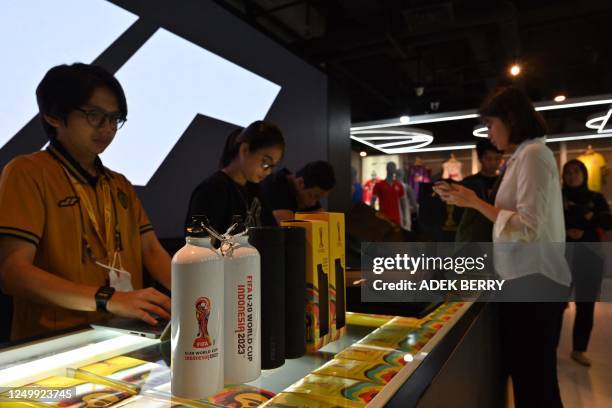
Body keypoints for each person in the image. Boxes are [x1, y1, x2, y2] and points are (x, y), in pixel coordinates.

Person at [0, 63, 172, 341]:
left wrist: (196, 294)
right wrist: (107, 298)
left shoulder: (119, 184)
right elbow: (14, 272)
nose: (107, 128)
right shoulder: (28, 172)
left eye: (114, 118)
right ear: (54, 116)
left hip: (126, 332)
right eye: (94, 115)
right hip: (54, 338)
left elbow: (151, 250)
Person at [435, 85, 570, 407]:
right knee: (529, 378)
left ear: (510, 119)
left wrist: (476, 203)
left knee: (535, 381)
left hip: (534, 282)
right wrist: (466, 201)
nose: (489, 133)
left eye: (491, 124)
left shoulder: (534, 154)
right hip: (524, 280)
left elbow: (529, 226)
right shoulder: (524, 155)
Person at [186, 121, 284, 235]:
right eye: (266, 163)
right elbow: (200, 246)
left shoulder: (255, 191)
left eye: (272, 166)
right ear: (244, 150)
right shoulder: (213, 189)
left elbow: (273, 234)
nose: (268, 172)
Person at [562, 159, 612, 366]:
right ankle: (549, 347)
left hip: (589, 257)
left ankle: (579, 350)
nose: (572, 176)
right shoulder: (556, 198)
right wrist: (585, 219)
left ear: (584, 174)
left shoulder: (596, 197)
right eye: (568, 173)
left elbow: (608, 222)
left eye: (576, 172)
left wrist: (585, 229)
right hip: (561, 257)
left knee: (585, 305)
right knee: (554, 304)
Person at [455, 139, 502, 242]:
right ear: (481, 159)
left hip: (498, 233)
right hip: (473, 236)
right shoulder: (468, 183)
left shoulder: (504, 182)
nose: (493, 163)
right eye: (489, 159)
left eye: (497, 158)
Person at [260, 160, 336, 224]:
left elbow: (324, 223)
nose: (313, 203)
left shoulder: (307, 195)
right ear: (300, 182)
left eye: (318, 199)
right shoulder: (274, 186)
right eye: (314, 196)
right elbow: (290, 230)